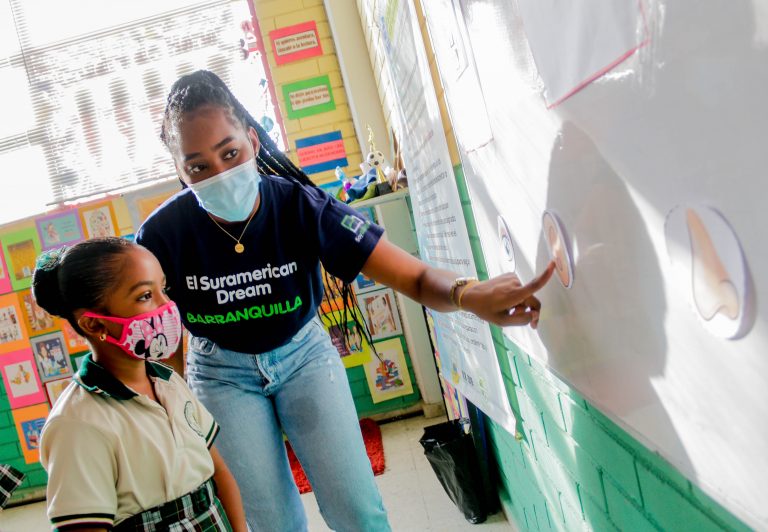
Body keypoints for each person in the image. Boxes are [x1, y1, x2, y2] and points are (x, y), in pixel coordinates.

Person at [136, 70, 555, 531]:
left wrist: (468, 294)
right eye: (197, 166)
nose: (219, 173)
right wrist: (169, 406)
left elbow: (412, 276)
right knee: (269, 523)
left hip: (303, 358)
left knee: (357, 511)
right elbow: (157, 331)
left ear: (253, 143)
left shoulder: (301, 206)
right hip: (220, 374)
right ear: (179, 171)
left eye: (229, 152)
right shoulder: (159, 237)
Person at [32, 238, 247, 532]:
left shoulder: (170, 382)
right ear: (95, 325)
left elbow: (219, 473)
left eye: (164, 289)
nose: (167, 305)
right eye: (145, 295)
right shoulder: (76, 424)